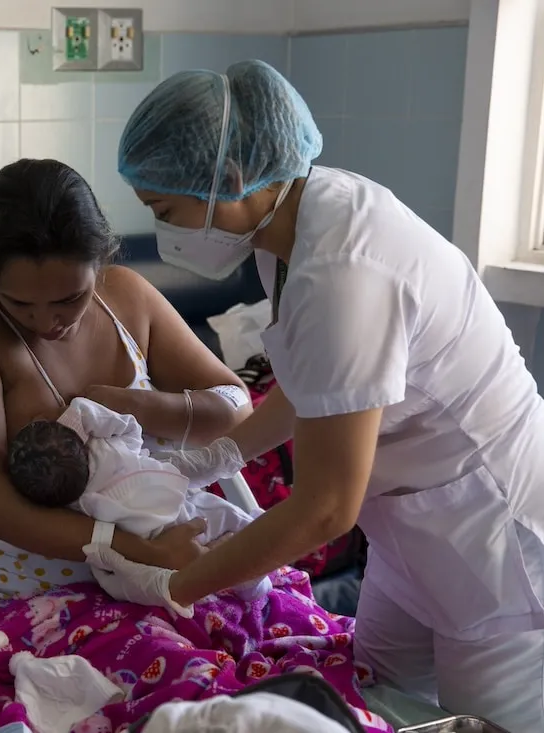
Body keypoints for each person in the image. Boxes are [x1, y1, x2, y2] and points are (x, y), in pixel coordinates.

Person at [88, 59, 544, 732]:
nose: (164, 228)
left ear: (233, 179)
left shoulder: (345, 268)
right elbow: (316, 384)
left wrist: (176, 584)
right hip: (407, 535)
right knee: (377, 695)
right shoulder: (291, 230)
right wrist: (213, 457)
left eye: (166, 208)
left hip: (491, 548)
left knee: (485, 721)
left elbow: (326, 508)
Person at [0, 158, 254, 619]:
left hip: (158, 567)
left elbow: (236, 407)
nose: (46, 322)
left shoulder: (128, 296)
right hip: (16, 592)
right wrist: (123, 548)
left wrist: (130, 405)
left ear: (100, 265)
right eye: (19, 302)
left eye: (68, 299)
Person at [5, 395, 271, 606]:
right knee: (235, 522)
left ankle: (227, 584)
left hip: (150, 540)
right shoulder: (102, 449)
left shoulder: (76, 504)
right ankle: (256, 584)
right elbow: (128, 426)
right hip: (183, 507)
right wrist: (73, 418)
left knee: (120, 581)